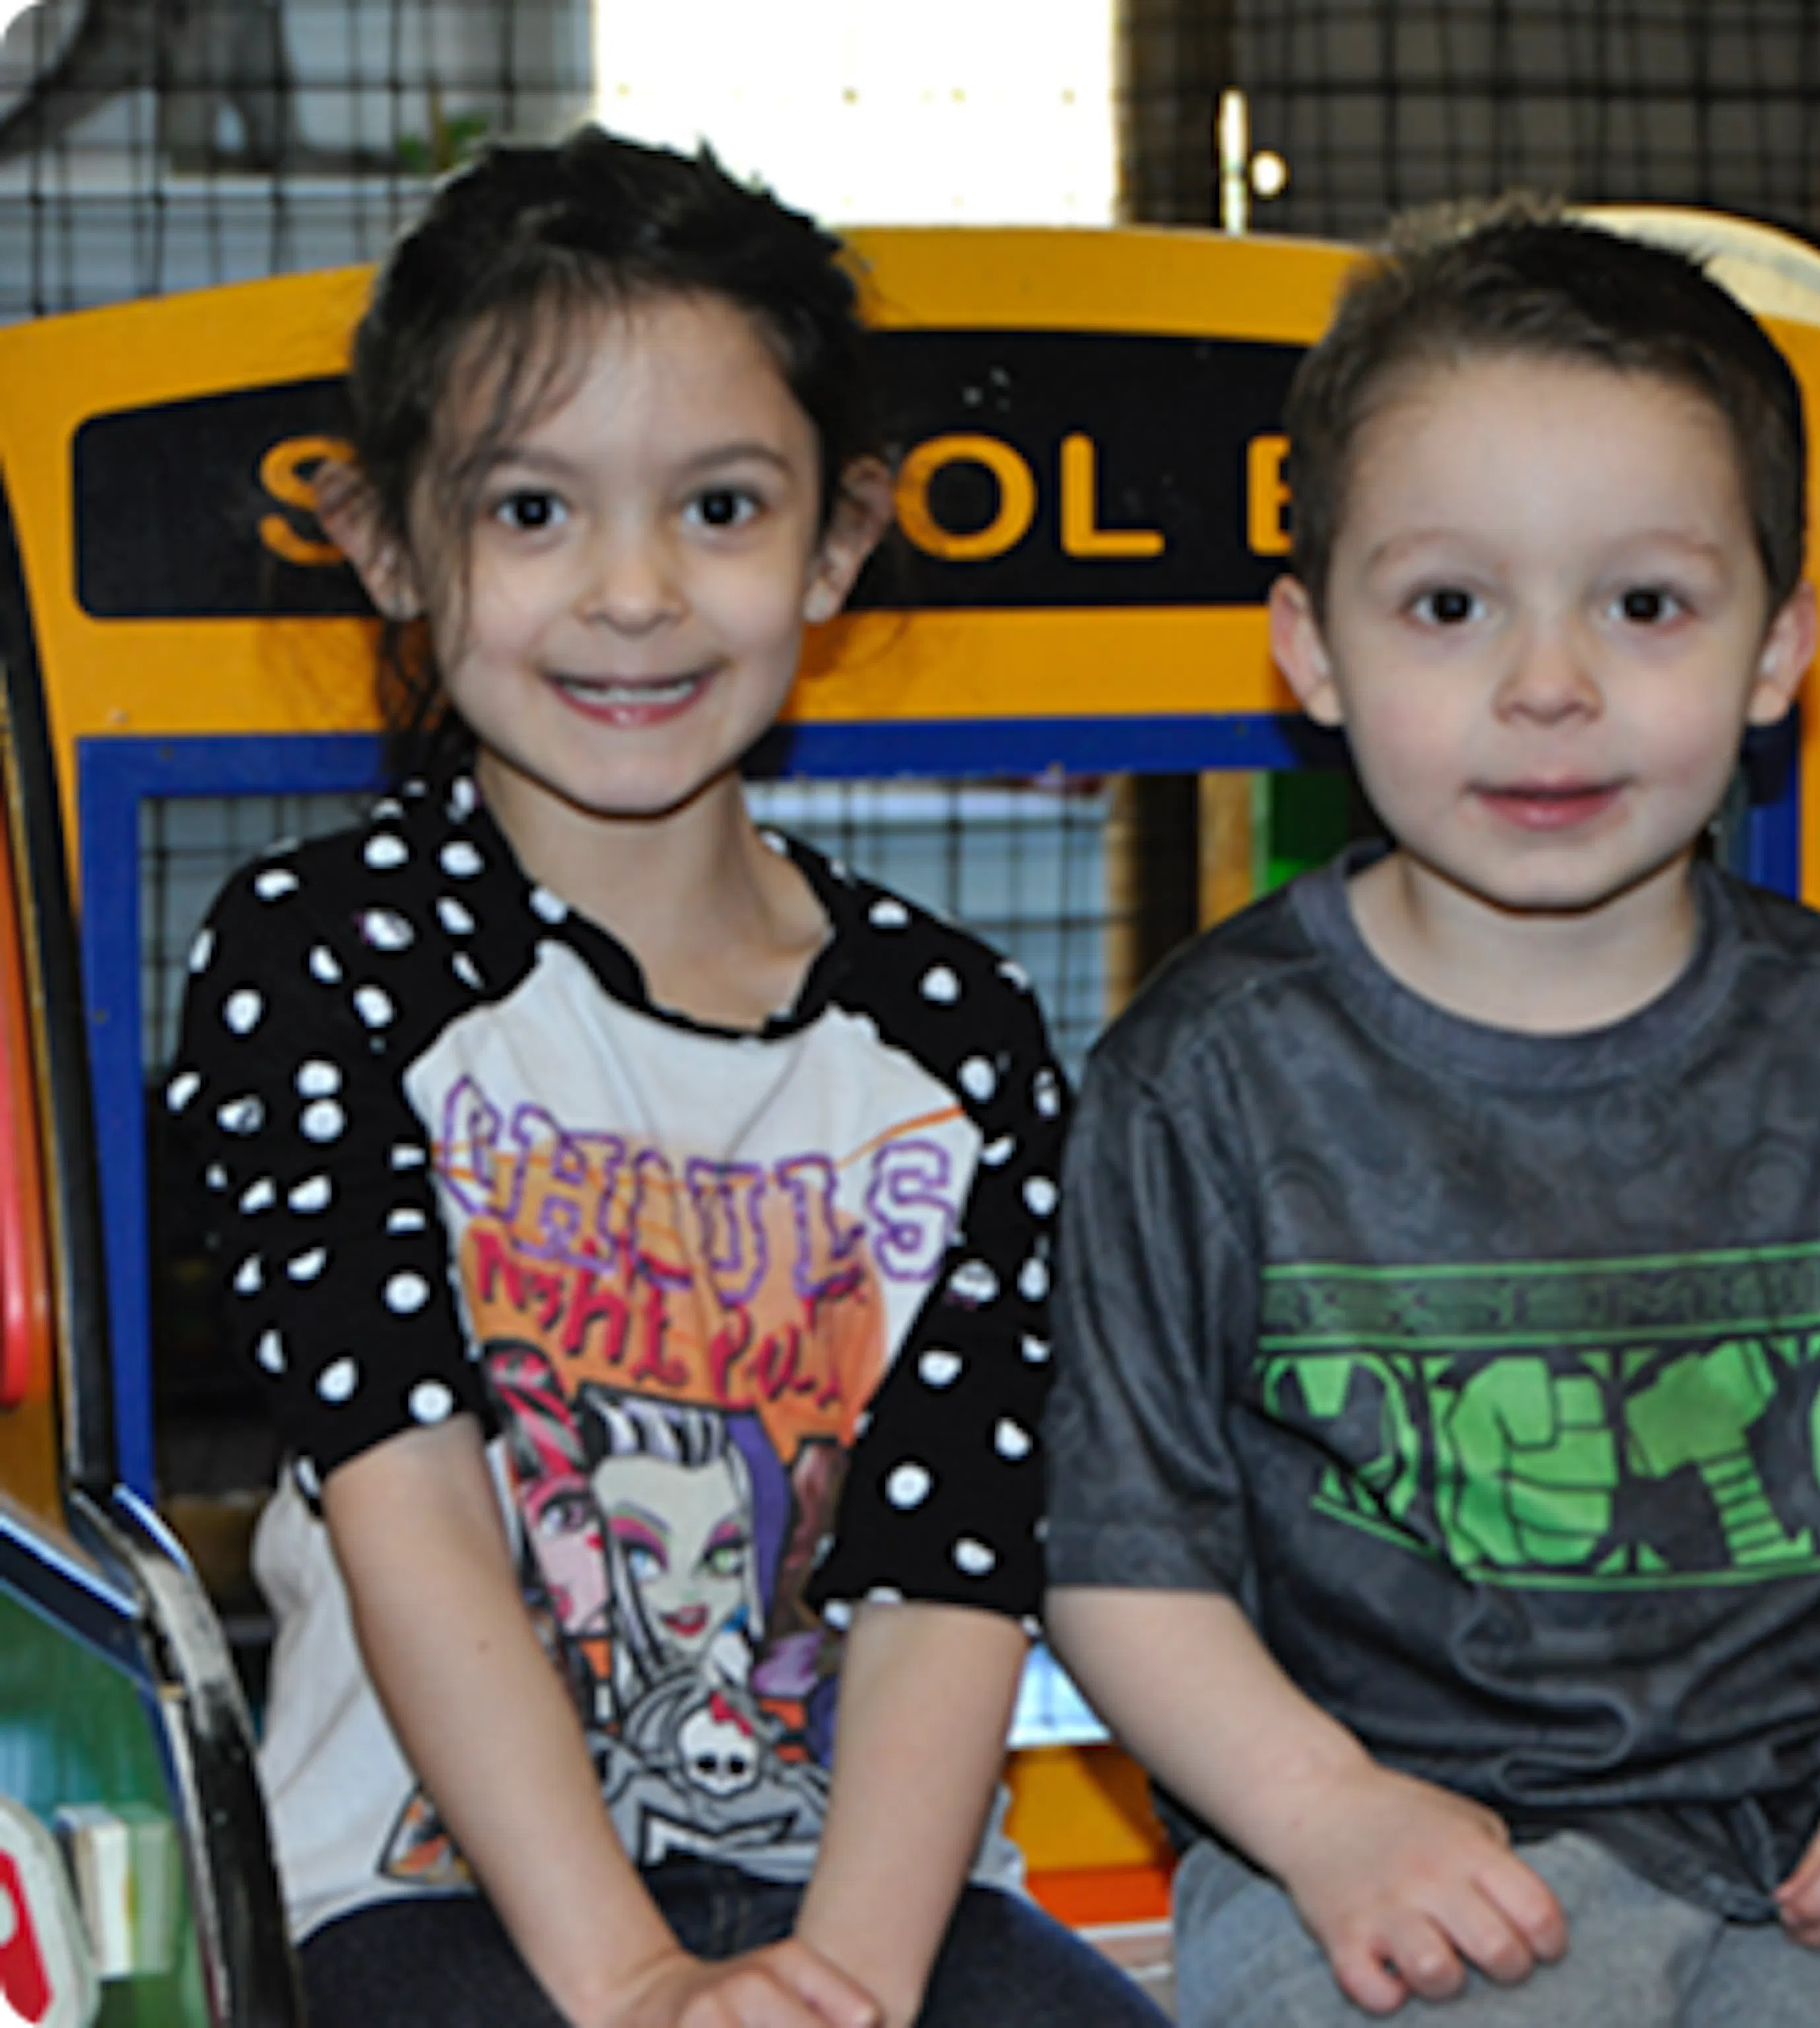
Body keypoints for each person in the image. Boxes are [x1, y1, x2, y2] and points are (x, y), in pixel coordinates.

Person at [170, 125, 1165, 2028]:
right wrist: (633, 1981)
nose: (633, 592)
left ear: (836, 543)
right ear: (390, 543)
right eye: (533, 511)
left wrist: (847, 1986)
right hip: (440, 1895)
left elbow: (954, 1558)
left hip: (873, 1898)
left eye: (718, 507)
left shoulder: (950, 1030)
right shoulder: (329, 959)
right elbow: (414, 1500)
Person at [1042, 203, 1820, 2027]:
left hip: (1818, 1853)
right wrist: (1322, 1812)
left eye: (1645, 606)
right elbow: (1116, 1561)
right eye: (1450, 606)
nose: (1549, 684)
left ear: (1777, 650)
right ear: (1311, 649)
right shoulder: (1208, 1080)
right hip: (1387, 1851)